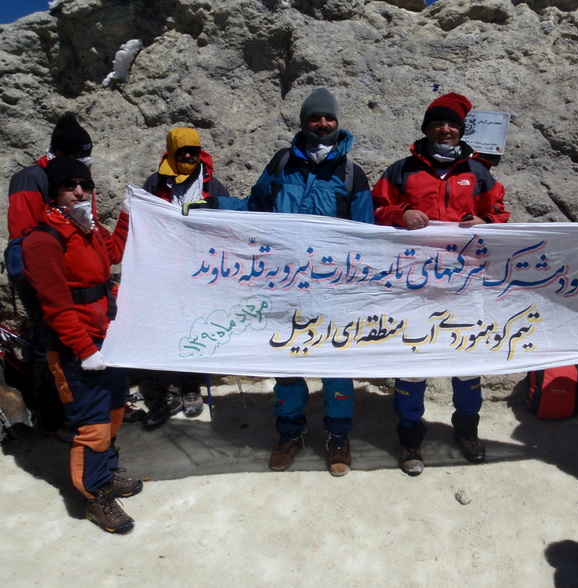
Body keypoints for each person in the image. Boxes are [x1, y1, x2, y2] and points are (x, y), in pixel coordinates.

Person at [205, 88, 374, 476]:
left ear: (337, 122)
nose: (322, 124)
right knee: (287, 360)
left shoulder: (352, 174)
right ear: (304, 122)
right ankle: (290, 434)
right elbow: (253, 207)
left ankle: (337, 437)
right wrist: (213, 206)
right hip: (283, 286)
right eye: (315, 118)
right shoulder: (282, 164)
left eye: (328, 118)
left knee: (336, 364)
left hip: (333, 289)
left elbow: (368, 236)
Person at [371, 92, 509, 476]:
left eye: (452, 125)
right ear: (426, 129)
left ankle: (467, 431)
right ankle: (410, 440)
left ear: (461, 131)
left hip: (464, 287)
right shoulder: (401, 170)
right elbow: (375, 209)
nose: (445, 130)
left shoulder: (478, 172)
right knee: (412, 362)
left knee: (466, 364)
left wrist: (487, 223)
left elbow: (498, 212)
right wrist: (402, 213)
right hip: (412, 286)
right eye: (438, 124)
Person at [22, 157, 142, 533]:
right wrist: (85, 349)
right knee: (91, 424)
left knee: (114, 410)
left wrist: (127, 215)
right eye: (70, 185)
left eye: (84, 185)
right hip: (77, 347)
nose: (79, 191)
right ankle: (95, 497)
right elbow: (55, 306)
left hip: (108, 335)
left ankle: (105, 473)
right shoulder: (43, 239)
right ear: (54, 193)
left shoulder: (89, 228)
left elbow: (116, 253)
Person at [6, 113, 95, 435]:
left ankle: (85, 408)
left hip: (71, 274)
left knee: (75, 339)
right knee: (50, 340)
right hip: (41, 273)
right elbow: (23, 237)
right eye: (82, 154)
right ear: (67, 153)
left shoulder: (77, 181)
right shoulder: (30, 179)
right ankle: (53, 419)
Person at [140, 127, 230, 427]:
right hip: (165, 267)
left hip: (200, 268)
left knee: (194, 327)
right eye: (183, 152)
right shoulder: (155, 183)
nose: (189, 156)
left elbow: (228, 226)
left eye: (193, 151)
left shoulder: (212, 185)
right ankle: (169, 387)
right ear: (172, 153)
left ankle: (192, 386)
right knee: (166, 327)